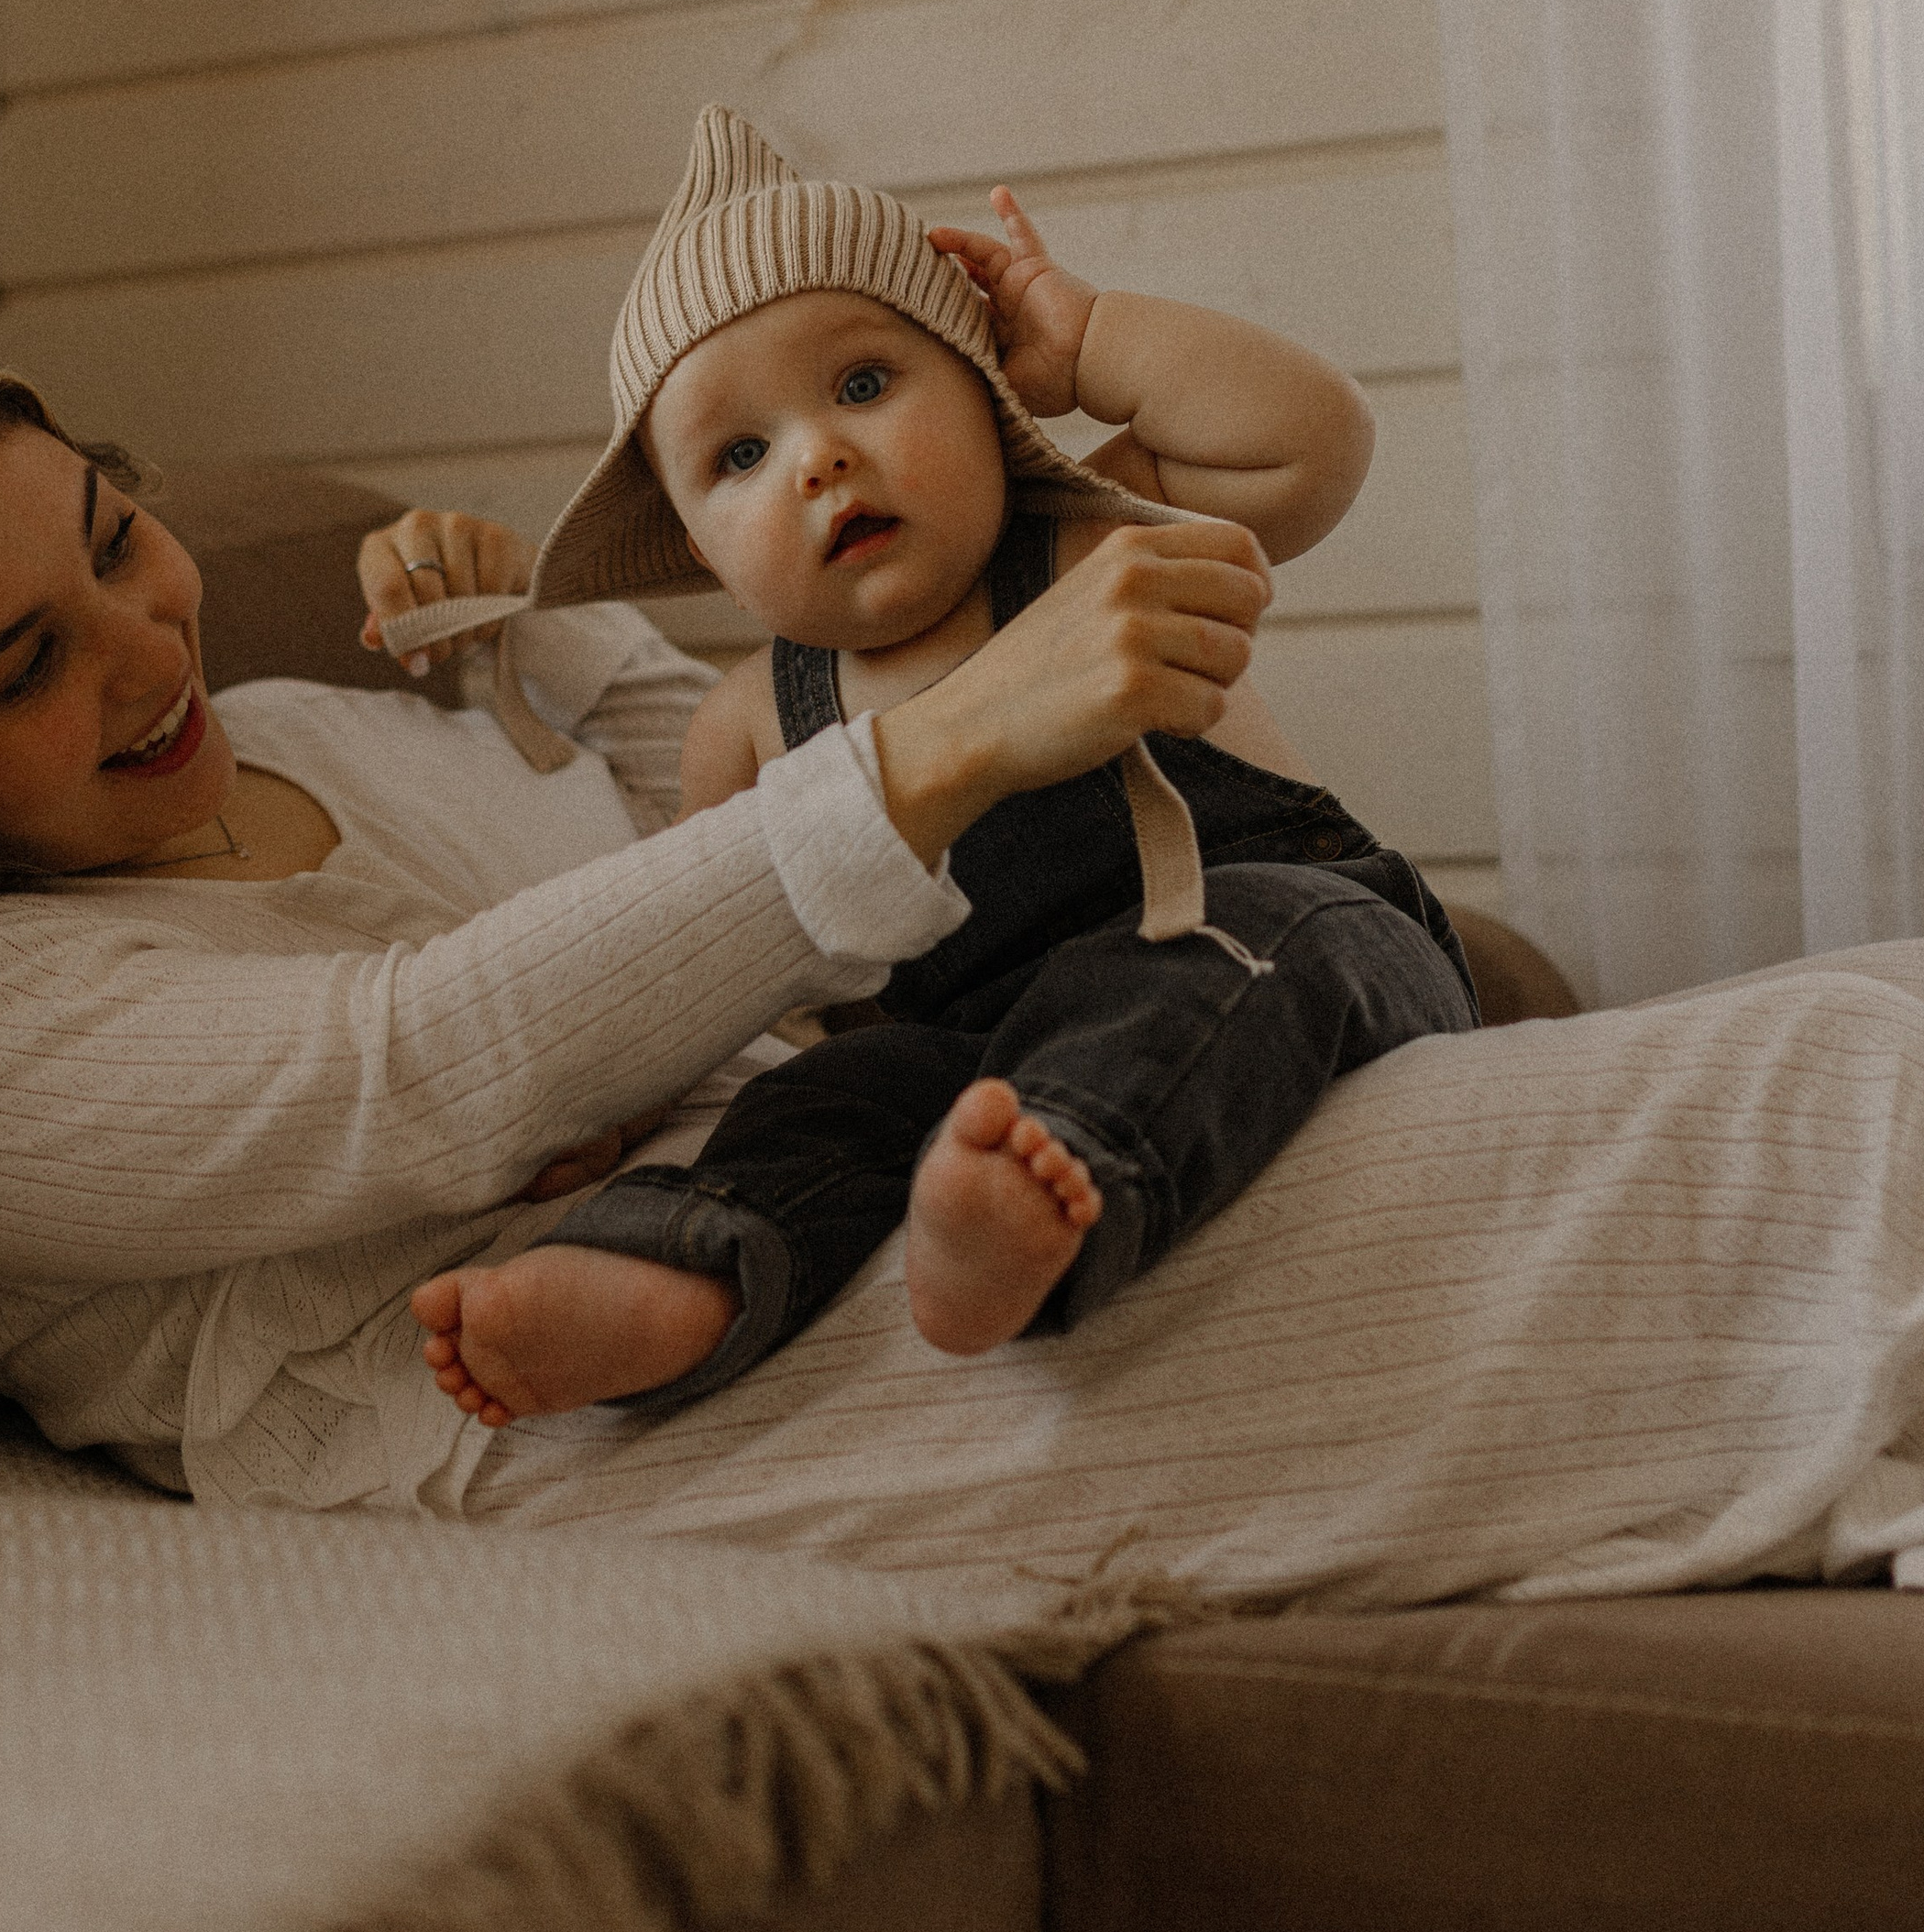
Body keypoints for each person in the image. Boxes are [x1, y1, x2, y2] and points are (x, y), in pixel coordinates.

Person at [0, 327, 1270, 1511]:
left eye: (113, 538)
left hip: (931, 1154)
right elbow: (422, 1066)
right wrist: (958, 727)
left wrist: (543, 633)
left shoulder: (299, 722)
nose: (152, 644)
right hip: (701, 1393)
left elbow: (696, 796)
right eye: (23, 665)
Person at [401, 110, 1477, 1429]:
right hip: (973, 1046)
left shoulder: (1087, 536)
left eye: (862, 385)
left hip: (1274, 923)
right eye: (740, 457)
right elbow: (706, 971)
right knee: (826, 1094)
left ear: (984, 391)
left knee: (1261, 938)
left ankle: (1051, 1193)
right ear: (693, 542)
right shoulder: (746, 723)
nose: (818, 457)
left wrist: (1086, 345)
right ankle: (682, 1271)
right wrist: (620, 1112)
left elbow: (1311, 441)